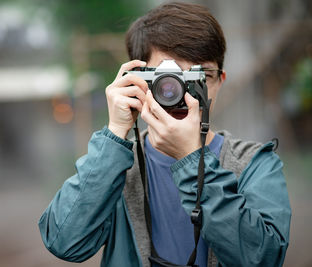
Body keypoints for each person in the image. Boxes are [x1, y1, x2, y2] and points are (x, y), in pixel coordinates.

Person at [38, 2, 291, 267]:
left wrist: (191, 158)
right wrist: (115, 133)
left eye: (200, 76)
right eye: (169, 78)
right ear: (138, 80)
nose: (183, 93)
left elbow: (263, 260)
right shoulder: (117, 166)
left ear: (219, 82)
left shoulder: (255, 163)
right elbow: (63, 242)